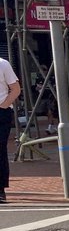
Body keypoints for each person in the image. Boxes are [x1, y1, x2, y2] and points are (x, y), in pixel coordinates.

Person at [0, 55, 21, 203]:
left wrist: (3, 105)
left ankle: (0, 189)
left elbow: (15, 89)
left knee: (0, 149)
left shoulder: (2, 64)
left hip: (1, 111)